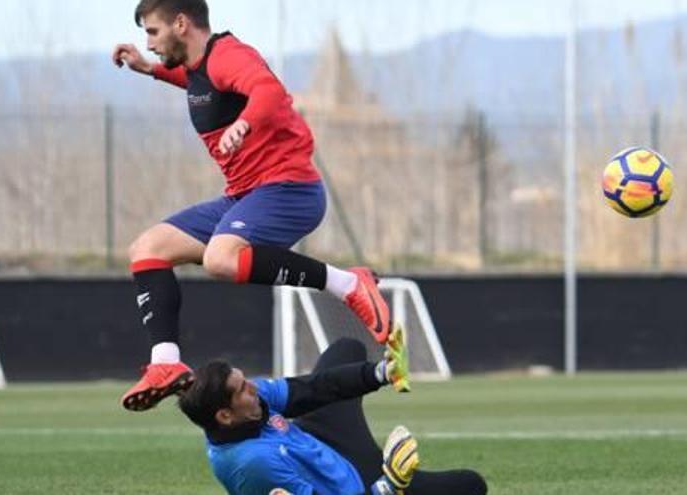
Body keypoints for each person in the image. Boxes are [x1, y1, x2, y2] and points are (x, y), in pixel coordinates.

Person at [111, 0, 391, 411]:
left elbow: (269, 91)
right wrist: (149, 69)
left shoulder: (228, 55)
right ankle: (166, 364)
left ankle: (348, 284)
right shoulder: (201, 67)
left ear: (181, 24)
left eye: (153, 32)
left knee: (221, 260)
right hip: (245, 195)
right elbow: (204, 88)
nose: (148, 42)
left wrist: (245, 123)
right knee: (148, 250)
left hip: (290, 190)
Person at [178, 327, 488, 495]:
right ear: (224, 416)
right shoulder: (254, 464)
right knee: (470, 486)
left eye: (245, 379)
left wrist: (381, 373)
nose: (254, 387)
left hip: (326, 441)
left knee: (346, 349)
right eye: (243, 389)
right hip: (357, 485)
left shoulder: (248, 403)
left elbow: (311, 390)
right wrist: (388, 485)